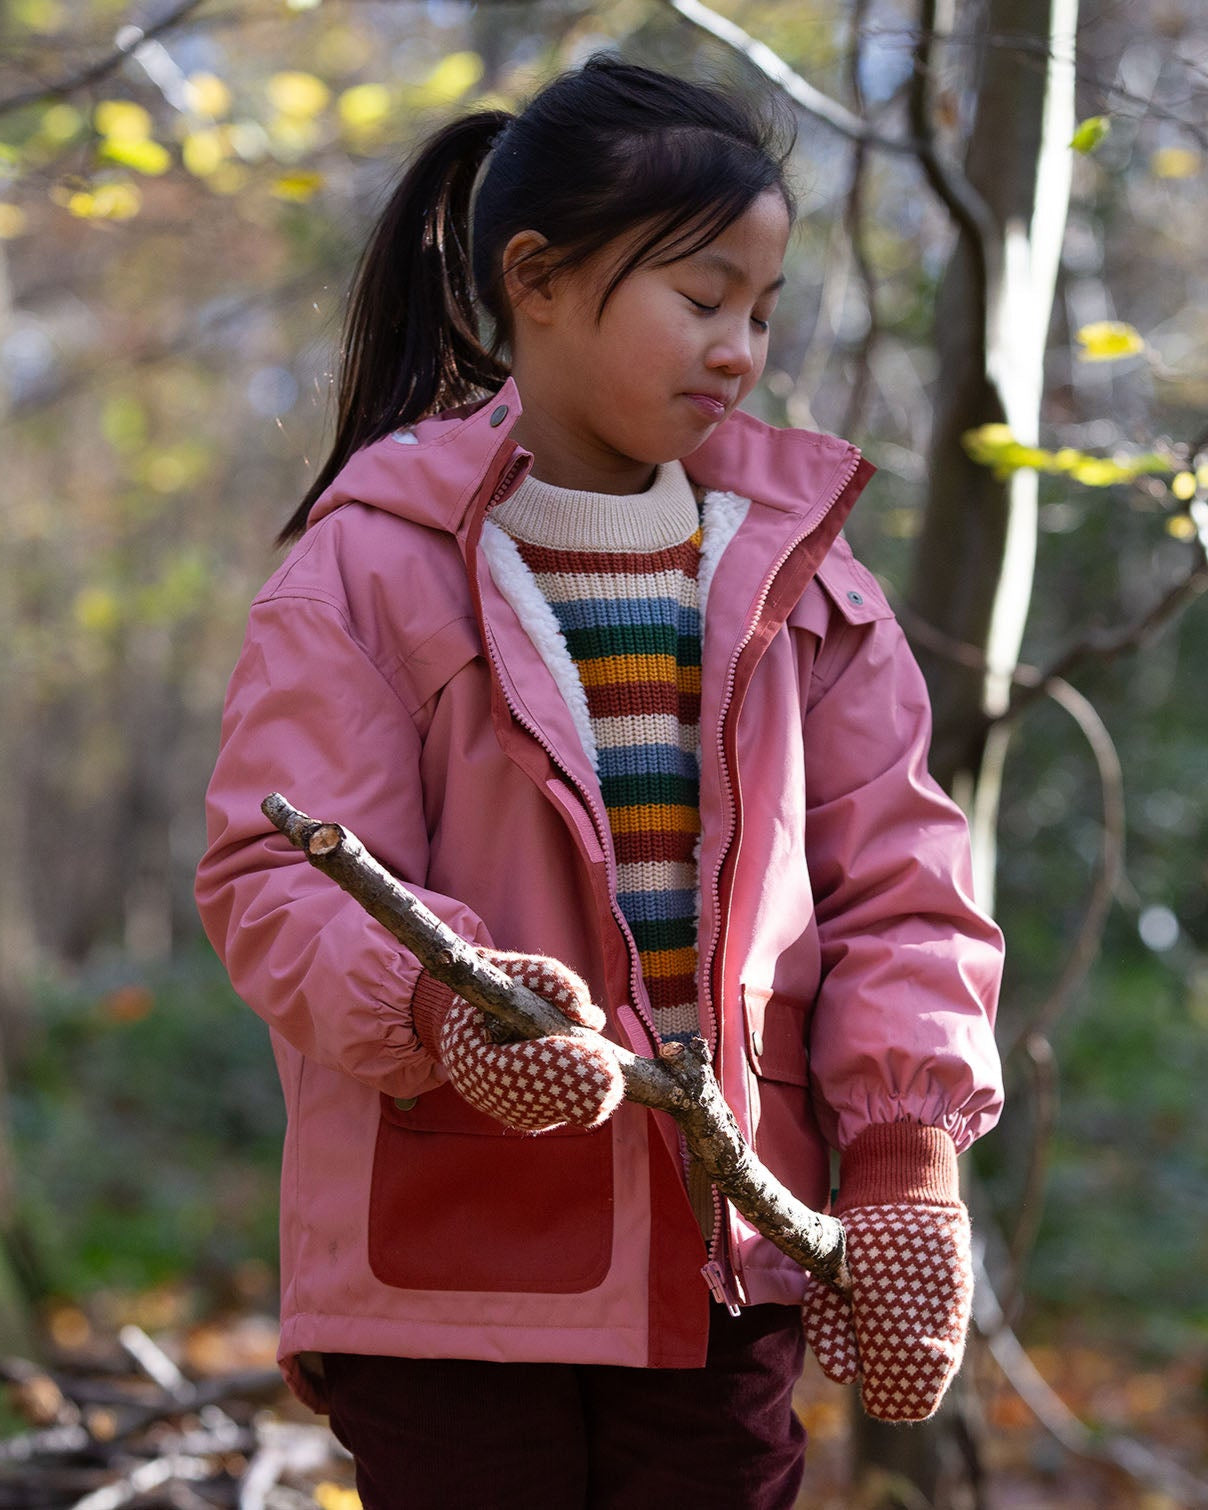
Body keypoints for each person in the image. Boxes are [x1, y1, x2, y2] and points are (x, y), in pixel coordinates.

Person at [196, 54, 1004, 1510]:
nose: (741, 348)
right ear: (540, 279)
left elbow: (904, 898)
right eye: (702, 299)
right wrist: (445, 1009)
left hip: (720, 1262)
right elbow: (272, 877)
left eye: (762, 311)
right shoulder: (371, 568)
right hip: (445, 1269)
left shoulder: (809, 590)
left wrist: (906, 1156)